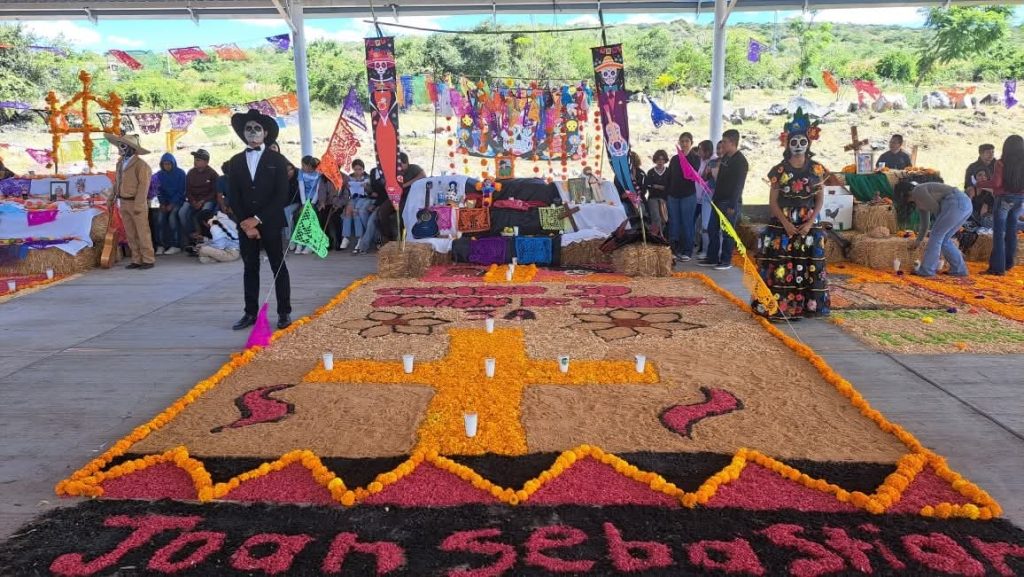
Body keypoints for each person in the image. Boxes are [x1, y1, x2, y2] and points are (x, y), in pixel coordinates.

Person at [753, 109, 829, 319]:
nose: (798, 146)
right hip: (782, 223)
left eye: (802, 141)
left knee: (807, 264)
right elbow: (773, 202)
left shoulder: (817, 169)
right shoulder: (778, 170)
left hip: (808, 223)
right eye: (794, 141)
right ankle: (781, 307)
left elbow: (820, 199)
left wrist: (810, 223)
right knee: (781, 265)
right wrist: (785, 223)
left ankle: (808, 307)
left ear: (808, 143)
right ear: (787, 143)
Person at [226, 108, 292, 331]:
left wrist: (258, 219)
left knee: (278, 266)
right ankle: (250, 312)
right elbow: (234, 195)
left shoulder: (277, 160)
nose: (252, 132)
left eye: (257, 128)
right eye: (248, 128)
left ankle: (284, 312)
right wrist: (246, 223)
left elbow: (281, 195)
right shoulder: (235, 161)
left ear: (265, 133)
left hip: (270, 221)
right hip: (246, 225)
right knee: (250, 268)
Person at [104, 133, 155, 269]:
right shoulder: (120, 163)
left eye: (123, 146)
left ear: (131, 148)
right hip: (124, 202)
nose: (120, 148)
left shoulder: (141, 165)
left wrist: (139, 204)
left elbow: (143, 186)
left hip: (136, 202)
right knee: (130, 233)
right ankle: (136, 259)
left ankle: (148, 259)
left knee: (142, 232)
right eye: (120, 145)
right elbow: (117, 182)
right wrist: (111, 198)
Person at [699, 129, 748, 271]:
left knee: (727, 232)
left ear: (732, 143)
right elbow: (720, 178)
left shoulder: (740, 161)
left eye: (725, 142)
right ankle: (712, 257)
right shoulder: (725, 158)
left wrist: (733, 204)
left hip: (729, 201)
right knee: (712, 229)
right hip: (718, 199)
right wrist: (709, 175)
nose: (722, 145)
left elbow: (739, 185)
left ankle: (726, 260)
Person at [977, 134, 1024, 275]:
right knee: (1012, 231)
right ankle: (1008, 263)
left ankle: (997, 268)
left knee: (998, 233)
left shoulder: (1001, 163)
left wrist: (980, 183)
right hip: (1020, 199)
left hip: (1004, 198)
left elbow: (996, 183)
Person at [908, 182, 972, 278]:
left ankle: (927, 270)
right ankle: (959, 269)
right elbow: (925, 225)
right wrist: (918, 241)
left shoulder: (918, 191)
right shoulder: (920, 200)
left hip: (955, 203)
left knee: (936, 236)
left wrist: (937, 228)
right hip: (965, 204)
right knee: (944, 239)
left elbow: (936, 208)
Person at [299, 155, 344, 253]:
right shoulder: (324, 178)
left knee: (335, 218)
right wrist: (322, 202)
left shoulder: (343, 178)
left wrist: (338, 204)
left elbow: (345, 194)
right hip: (327, 203)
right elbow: (321, 191)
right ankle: (327, 242)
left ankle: (338, 242)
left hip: (339, 204)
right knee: (322, 217)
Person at [666, 132, 700, 261]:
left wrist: (686, 158)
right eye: (682, 141)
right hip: (673, 196)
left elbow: (694, 174)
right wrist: (667, 193)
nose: (684, 144)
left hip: (688, 196)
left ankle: (687, 251)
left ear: (691, 143)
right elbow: (669, 176)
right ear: (679, 143)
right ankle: (674, 249)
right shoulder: (674, 159)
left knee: (687, 223)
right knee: (674, 223)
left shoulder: (695, 158)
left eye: (687, 141)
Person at [181, 149, 219, 252]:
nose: (195, 161)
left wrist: (202, 201)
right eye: (195, 159)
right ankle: (193, 236)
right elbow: (188, 190)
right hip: (193, 200)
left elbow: (215, 192)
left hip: (208, 200)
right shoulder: (190, 173)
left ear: (206, 162)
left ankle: (204, 238)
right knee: (182, 212)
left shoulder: (212, 174)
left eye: (198, 160)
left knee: (204, 212)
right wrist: (193, 201)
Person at [155, 152, 186, 256]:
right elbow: (159, 191)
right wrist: (162, 203)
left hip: (178, 201)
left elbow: (181, 191)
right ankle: (160, 245)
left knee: (172, 217)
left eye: (169, 164)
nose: (167, 166)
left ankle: (176, 245)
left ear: (173, 163)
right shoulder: (159, 175)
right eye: (165, 164)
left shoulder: (180, 173)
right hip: (165, 202)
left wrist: (172, 204)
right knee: (160, 218)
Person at [354, 165, 388, 254]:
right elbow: (372, 190)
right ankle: (377, 239)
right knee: (361, 211)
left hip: (385, 202)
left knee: (371, 221)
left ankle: (363, 246)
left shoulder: (389, 172)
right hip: (373, 199)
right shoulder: (373, 171)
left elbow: (386, 194)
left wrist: (375, 205)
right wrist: (368, 189)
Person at [340, 159, 373, 250]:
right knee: (348, 210)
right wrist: (348, 187)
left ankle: (360, 237)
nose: (358, 172)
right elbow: (346, 192)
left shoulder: (367, 177)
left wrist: (366, 187)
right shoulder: (350, 177)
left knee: (356, 211)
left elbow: (371, 191)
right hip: (353, 197)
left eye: (360, 169)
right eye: (355, 169)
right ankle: (346, 237)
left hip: (364, 198)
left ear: (363, 169)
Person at [965, 143, 996, 224]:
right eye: (988, 152)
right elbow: (968, 184)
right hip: (977, 195)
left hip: (992, 195)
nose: (991, 155)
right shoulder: (972, 167)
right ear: (981, 154)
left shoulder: (997, 165)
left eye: (992, 152)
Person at [695, 140, 716, 258]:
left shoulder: (713, 161)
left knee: (706, 225)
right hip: (701, 197)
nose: (698, 152)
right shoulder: (702, 161)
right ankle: (703, 249)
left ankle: (707, 251)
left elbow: (704, 178)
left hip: (709, 196)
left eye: (700, 150)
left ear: (707, 151)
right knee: (702, 225)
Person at [614, 150, 646, 220]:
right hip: (625, 201)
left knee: (642, 210)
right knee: (622, 209)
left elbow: (644, 189)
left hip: (639, 201)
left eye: (631, 161)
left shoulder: (641, 173)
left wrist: (636, 194)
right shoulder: (619, 175)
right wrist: (622, 195)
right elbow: (616, 191)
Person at [646, 150, 670, 238]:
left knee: (664, 219)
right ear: (655, 160)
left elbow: (670, 186)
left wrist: (657, 186)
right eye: (658, 159)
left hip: (665, 198)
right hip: (653, 198)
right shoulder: (650, 172)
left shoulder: (668, 171)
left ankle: (662, 236)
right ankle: (655, 237)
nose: (660, 161)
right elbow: (648, 185)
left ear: (665, 160)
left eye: (662, 159)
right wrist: (658, 187)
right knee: (656, 218)